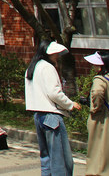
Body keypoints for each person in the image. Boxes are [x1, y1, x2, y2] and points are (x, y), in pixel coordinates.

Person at [25, 41, 79, 176]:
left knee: (46, 157)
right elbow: (54, 93)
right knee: (60, 159)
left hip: (38, 116)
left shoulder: (32, 68)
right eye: (55, 54)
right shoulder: (47, 68)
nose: (57, 56)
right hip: (51, 116)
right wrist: (70, 104)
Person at [85, 51, 109, 176]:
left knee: (97, 148)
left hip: (102, 119)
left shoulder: (99, 79)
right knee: (108, 150)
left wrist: (95, 108)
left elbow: (96, 92)